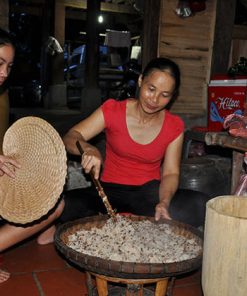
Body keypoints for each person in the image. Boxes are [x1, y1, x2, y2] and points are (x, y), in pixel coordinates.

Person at [56, 57, 210, 226]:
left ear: (172, 96)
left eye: (164, 95)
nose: (155, 99)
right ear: (140, 80)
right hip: (108, 192)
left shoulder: (174, 126)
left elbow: (170, 173)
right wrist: (87, 149)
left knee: (202, 204)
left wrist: (164, 202)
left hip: (149, 195)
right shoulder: (113, 110)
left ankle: (125, 222)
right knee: (62, 205)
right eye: (151, 89)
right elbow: (71, 136)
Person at [0, 28, 64, 284]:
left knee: (55, 204)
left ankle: (44, 231)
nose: (4, 73)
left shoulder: (1, 95)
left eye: (9, 66)